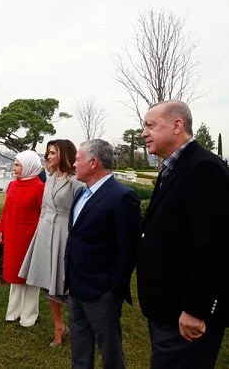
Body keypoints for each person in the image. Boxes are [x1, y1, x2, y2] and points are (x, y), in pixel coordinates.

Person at [137, 100, 229, 369]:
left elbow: (214, 247)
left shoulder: (204, 169)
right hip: (167, 312)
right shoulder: (173, 166)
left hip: (186, 319)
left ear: (177, 125)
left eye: (150, 125)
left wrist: (196, 310)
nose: (143, 133)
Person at [65, 139, 141, 369]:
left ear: (94, 162)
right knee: (80, 348)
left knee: (110, 352)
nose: (74, 163)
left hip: (102, 292)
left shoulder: (122, 196)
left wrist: (113, 289)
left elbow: (129, 249)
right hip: (76, 287)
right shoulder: (81, 194)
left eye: (78, 159)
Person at [19, 139, 83, 347]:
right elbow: (46, 207)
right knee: (49, 281)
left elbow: (82, 213)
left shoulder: (76, 181)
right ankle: (58, 325)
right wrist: (40, 231)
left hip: (66, 234)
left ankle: (79, 325)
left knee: (68, 283)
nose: (47, 157)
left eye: (52, 153)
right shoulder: (50, 178)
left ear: (63, 155)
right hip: (46, 233)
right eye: (47, 153)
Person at [0, 150, 45, 326]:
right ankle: (13, 313)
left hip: (29, 238)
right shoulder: (12, 184)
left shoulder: (40, 187)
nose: (14, 167)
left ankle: (28, 316)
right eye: (15, 164)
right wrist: (1, 228)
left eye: (18, 164)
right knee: (14, 275)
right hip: (13, 236)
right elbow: (6, 209)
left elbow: (43, 215)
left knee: (31, 277)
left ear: (29, 166)